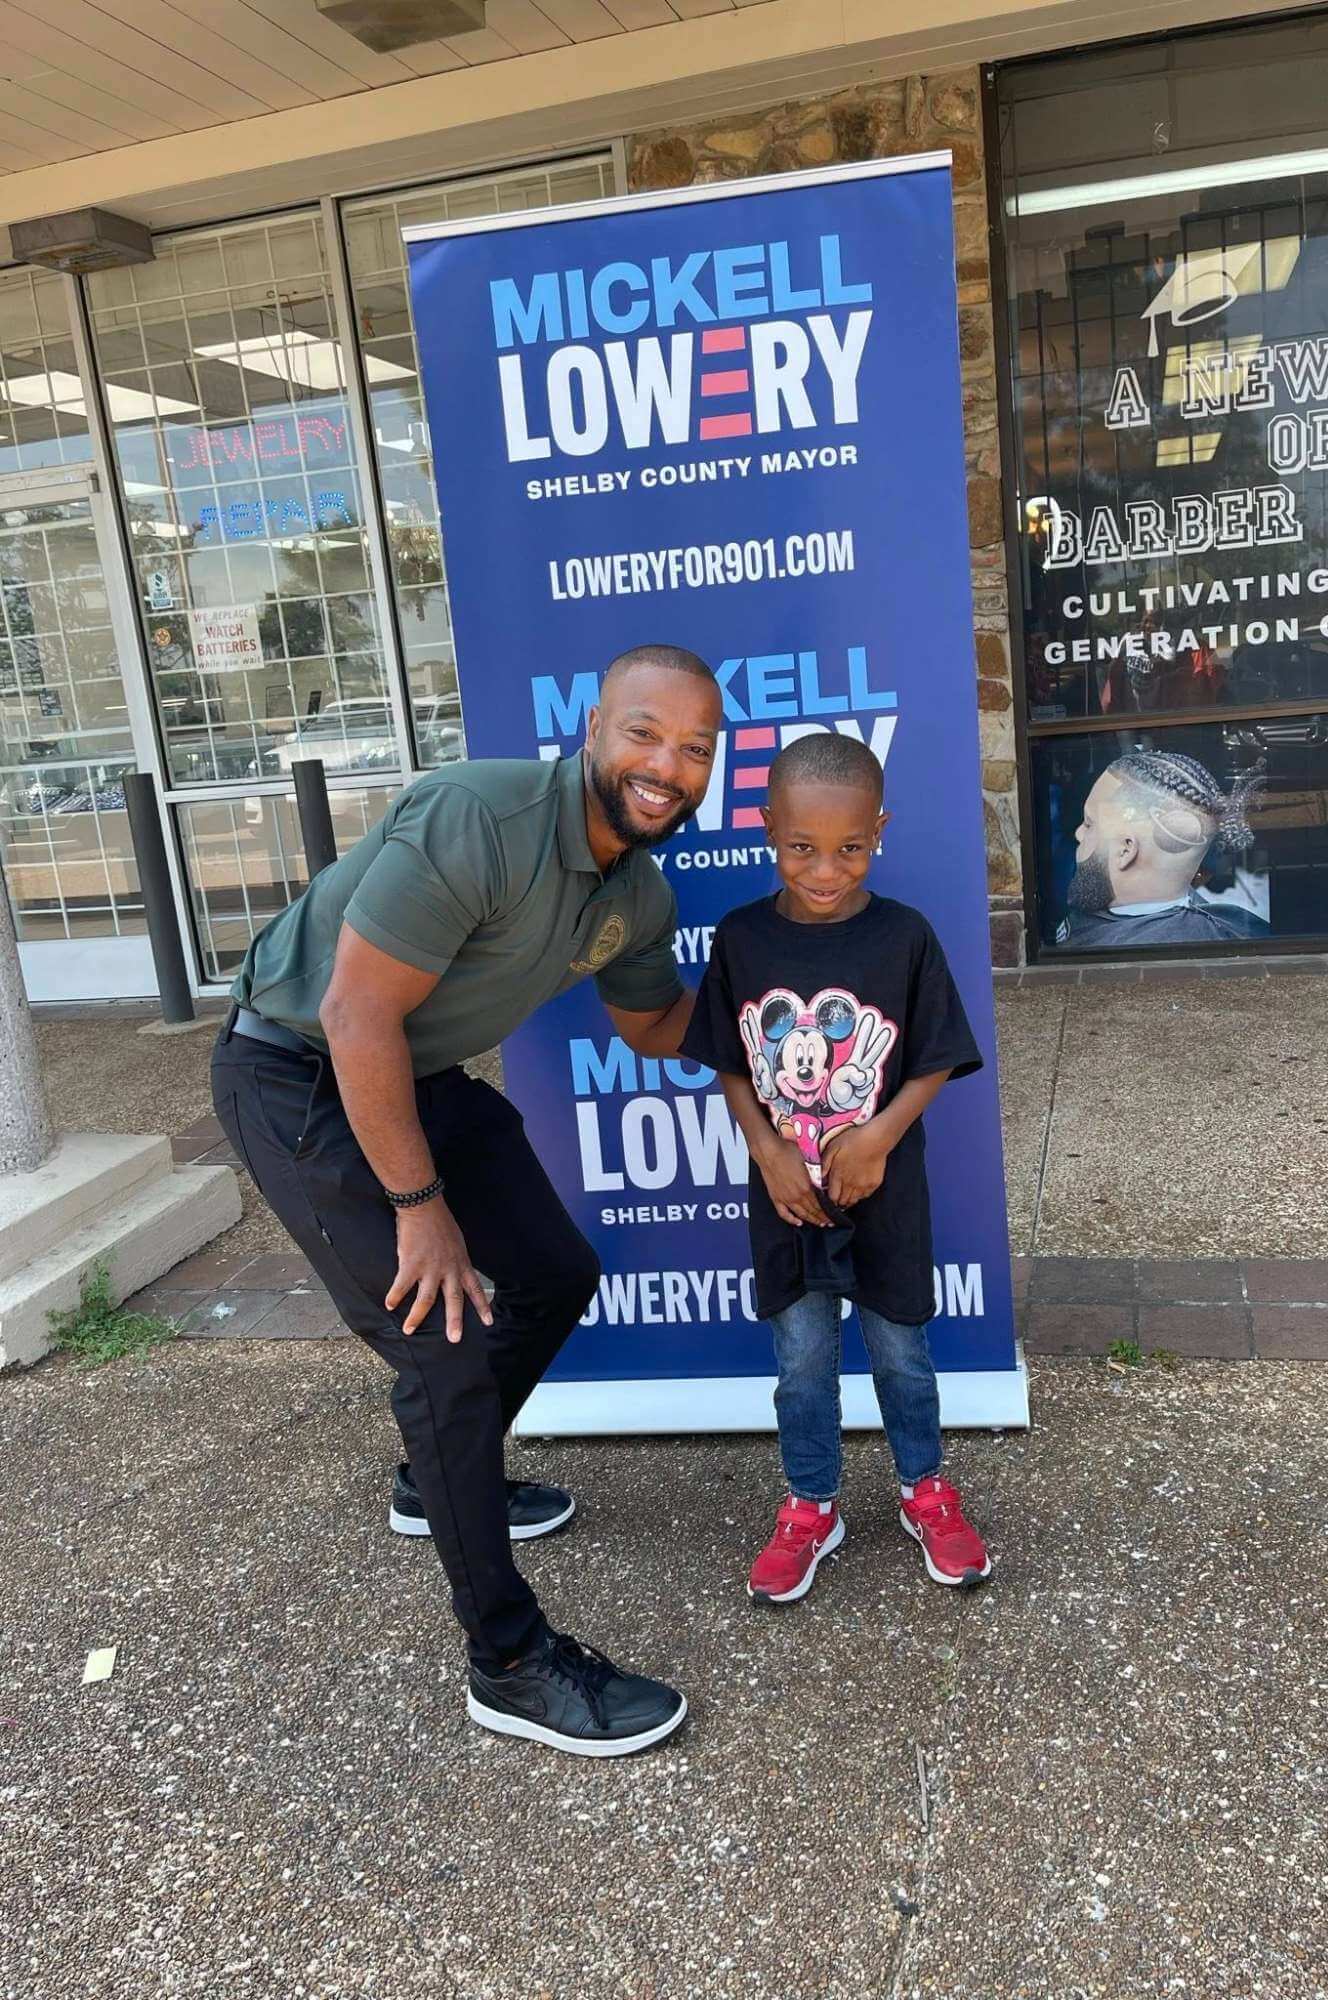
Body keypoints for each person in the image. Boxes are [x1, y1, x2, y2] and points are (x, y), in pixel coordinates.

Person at [210, 644, 723, 1757]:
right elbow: (353, 1014)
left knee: (556, 1271)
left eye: (694, 748)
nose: (666, 766)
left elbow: (654, 1023)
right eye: (644, 732)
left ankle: (436, 1479)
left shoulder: (638, 892)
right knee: (441, 1346)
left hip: (411, 1071)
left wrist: (774, 1028)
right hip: (296, 1070)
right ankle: (509, 1663)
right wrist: (418, 1203)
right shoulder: (478, 818)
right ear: (594, 728)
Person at [681, 733, 991, 1606]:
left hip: (884, 1194)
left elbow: (936, 1057)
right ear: (766, 827)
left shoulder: (904, 936)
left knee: (901, 1352)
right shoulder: (742, 938)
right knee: (802, 1360)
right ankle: (811, 1504)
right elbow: (731, 1062)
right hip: (786, 1198)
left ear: (879, 830)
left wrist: (879, 1136)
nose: (826, 869)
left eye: (850, 847)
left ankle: (924, 1490)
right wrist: (768, 1151)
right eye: (801, 847)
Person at [1056, 747, 1270, 949]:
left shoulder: (1130, 957)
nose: (1078, 833)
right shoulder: (1226, 925)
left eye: (1089, 824)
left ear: (1125, 850)